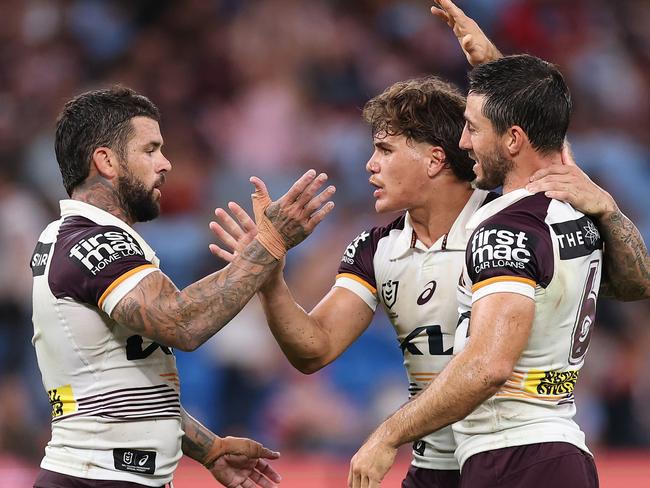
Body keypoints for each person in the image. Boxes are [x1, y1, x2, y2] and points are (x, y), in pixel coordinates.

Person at [210, 3, 649, 488]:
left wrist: (489, 66)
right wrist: (270, 279)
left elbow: (529, 139)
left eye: (384, 149)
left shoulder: (500, 218)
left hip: (509, 447)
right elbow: (313, 350)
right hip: (438, 464)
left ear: (436, 159)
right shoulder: (375, 249)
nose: (369, 167)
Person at [346, 53, 650, 488]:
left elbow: (489, 365)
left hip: (514, 457)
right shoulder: (576, 210)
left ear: (512, 140)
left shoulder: (503, 231)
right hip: (555, 449)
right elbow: (637, 283)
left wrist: (386, 436)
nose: (464, 143)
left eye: (472, 128)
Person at [30, 86, 335, 488]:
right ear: (105, 160)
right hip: (97, 479)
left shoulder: (90, 240)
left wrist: (209, 449)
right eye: (150, 149)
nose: (166, 163)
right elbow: (181, 323)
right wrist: (269, 245)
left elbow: (133, 384)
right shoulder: (90, 243)